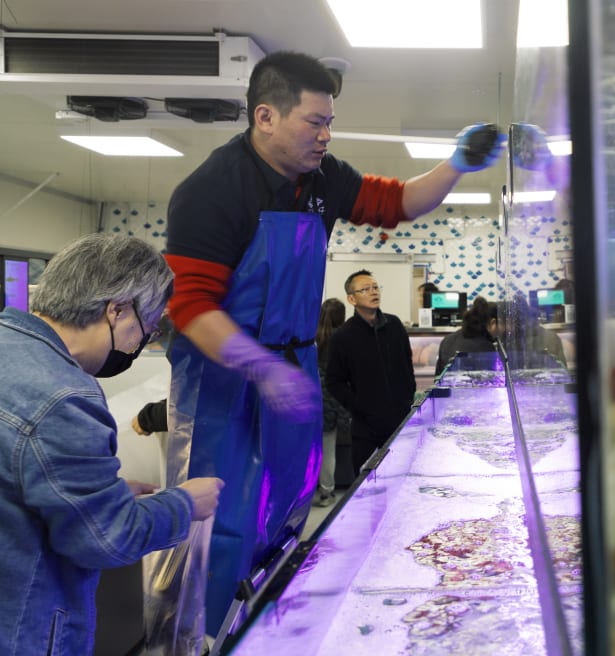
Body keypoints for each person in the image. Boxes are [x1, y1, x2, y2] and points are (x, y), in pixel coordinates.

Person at [156, 50, 505, 637]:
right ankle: (196, 642)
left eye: (330, 123)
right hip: (222, 379)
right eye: (314, 122)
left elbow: (395, 203)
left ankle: (267, 634)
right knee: (218, 528)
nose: (326, 135)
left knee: (286, 516)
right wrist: (260, 367)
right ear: (265, 117)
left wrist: (455, 166)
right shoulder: (211, 190)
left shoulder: (324, 180)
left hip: (289, 363)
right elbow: (190, 305)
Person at [0, 233, 223, 655]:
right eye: (148, 326)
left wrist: (103, 495)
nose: (142, 342)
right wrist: (185, 504)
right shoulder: (65, 395)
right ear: (117, 309)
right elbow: (106, 538)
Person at [326, 270, 416, 477]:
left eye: (375, 287)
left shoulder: (394, 326)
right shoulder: (343, 336)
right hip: (366, 427)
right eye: (365, 289)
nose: (373, 292)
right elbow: (334, 381)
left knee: (402, 478)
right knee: (365, 483)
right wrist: (359, 406)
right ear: (351, 298)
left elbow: (406, 363)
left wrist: (407, 396)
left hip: (400, 420)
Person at [315, 297, 349, 507]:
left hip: (312, 399)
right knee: (329, 450)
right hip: (335, 400)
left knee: (312, 450)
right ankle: (327, 492)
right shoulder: (344, 339)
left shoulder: (312, 338)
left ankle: (305, 492)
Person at [495, 294, 567, 367]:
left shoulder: (548, 338)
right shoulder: (505, 340)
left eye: (507, 323)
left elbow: (560, 370)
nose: (506, 328)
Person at [434, 294, 498, 375]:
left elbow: (438, 377)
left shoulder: (447, 339)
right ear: (493, 323)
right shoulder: (485, 348)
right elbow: (488, 380)